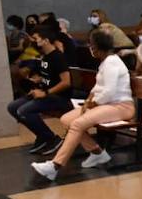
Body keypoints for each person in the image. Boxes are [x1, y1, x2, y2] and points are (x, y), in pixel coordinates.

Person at [30, 29, 133, 180]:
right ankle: (97, 153)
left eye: (91, 45)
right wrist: (87, 101)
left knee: (77, 124)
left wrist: (93, 104)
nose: (90, 48)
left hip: (120, 107)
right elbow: (98, 87)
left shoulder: (112, 63)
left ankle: (55, 166)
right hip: (106, 105)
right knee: (66, 119)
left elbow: (109, 92)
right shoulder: (105, 63)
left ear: (98, 47)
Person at [7, 22, 72, 155]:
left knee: (24, 110)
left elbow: (66, 82)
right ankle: (43, 136)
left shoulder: (57, 57)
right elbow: (48, 77)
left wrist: (45, 92)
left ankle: (52, 139)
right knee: (13, 107)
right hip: (45, 93)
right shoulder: (44, 57)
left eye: (36, 39)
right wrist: (38, 82)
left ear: (46, 40)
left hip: (59, 97)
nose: (33, 42)